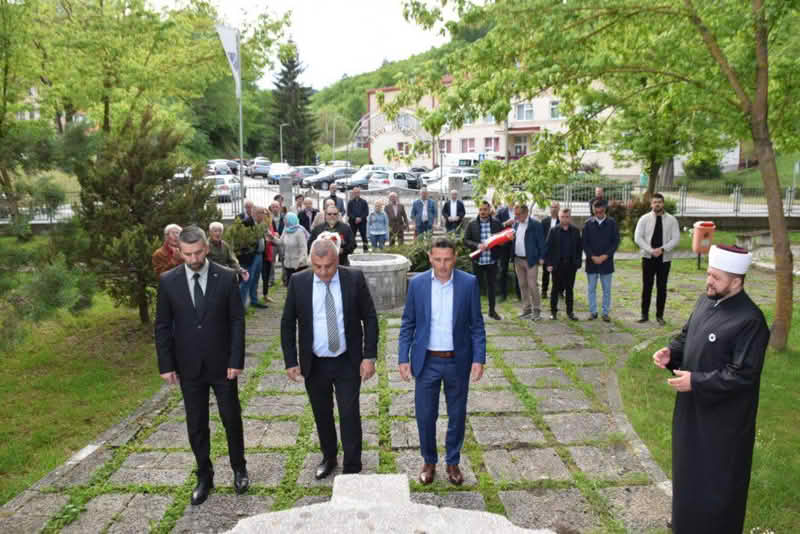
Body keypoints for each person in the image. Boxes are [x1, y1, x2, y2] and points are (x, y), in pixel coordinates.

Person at [652, 245, 769, 534]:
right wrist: (671, 353)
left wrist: (696, 382)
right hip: (691, 414)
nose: (709, 281)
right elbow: (687, 336)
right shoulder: (706, 301)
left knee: (716, 487)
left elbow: (742, 376)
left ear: (736, 281)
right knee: (687, 476)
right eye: (708, 274)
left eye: (716, 277)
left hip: (723, 426)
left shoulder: (750, 321)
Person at [154, 226, 248, 506]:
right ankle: (204, 476)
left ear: (206, 248)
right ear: (179, 251)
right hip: (189, 365)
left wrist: (236, 359)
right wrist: (166, 364)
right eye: (187, 254)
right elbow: (162, 325)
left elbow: (237, 321)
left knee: (231, 418)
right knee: (196, 423)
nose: (193, 259)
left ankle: (239, 468)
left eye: (198, 253)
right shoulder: (168, 281)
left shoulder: (226, 277)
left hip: (223, 365)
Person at [280, 237, 378, 479]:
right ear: (310, 262)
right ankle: (329, 457)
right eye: (317, 266)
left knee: (349, 413)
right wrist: (291, 360)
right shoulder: (298, 282)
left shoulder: (354, 279)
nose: (323, 272)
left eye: (329, 266)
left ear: (338, 259)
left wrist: (369, 356)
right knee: (322, 413)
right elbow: (287, 323)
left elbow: (370, 317)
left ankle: (352, 465)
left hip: (347, 360)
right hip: (315, 362)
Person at [397, 237, 485, 486]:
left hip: (458, 361)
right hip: (426, 361)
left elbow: (477, 325)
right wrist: (403, 357)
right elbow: (408, 323)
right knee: (425, 416)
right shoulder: (418, 284)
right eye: (437, 259)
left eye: (447, 259)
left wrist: (479, 358)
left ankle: (453, 462)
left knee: (457, 415)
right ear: (430, 258)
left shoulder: (468, 283)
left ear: (455, 258)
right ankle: (429, 461)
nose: (443, 265)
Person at [634, 193, 680, 325]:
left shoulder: (672, 220)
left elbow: (676, 239)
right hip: (648, 257)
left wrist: (662, 249)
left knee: (662, 287)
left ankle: (660, 316)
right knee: (647, 286)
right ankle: (644, 315)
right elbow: (638, 238)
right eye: (655, 202)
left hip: (664, 258)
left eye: (659, 202)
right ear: (651, 204)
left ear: (663, 203)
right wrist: (650, 250)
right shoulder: (644, 219)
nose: (657, 204)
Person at [464, 201, 503, 320]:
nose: (482, 212)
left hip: (492, 261)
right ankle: (476, 312)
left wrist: (499, 244)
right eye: (481, 209)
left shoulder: (496, 223)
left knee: (492, 287)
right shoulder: (472, 224)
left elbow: (502, 239)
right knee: (476, 288)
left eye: (485, 209)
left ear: (489, 210)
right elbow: (465, 240)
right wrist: (477, 245)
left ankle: (492, 311)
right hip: (478, 261)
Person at [582, 200, 619, 321]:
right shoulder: (588, 224)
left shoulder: (612, 223)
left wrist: (605, 256)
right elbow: (584, 243)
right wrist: (592, 256)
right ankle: (593, 312)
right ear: (593, 210)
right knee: (591, 289)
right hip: (591, 262)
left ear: (605, 210)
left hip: (606, 262)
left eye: (601, 211)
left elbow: (615, 242)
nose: (598, 213)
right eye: (596, 211)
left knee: (606, 289)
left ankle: (605, 312)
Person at [544, 208, 582, 320]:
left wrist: (578, 263)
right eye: (562, 217)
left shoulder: (575, 231)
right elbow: (548, 248)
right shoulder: (553, 231)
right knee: (555, 289)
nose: (565, 219)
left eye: (567, 217)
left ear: (570, 217)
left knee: (569, 289)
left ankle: (570, 312)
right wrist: (549, 264)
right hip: (557, 265)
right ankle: (553, 312)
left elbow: (579, 248)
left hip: (570, 265)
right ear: (559, 217)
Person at [512, 204, 546, 321]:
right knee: (522, 285)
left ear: (526, 213)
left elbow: (541, 242)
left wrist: (542, 257)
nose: (516, 216)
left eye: (518, 214)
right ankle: (526, 309)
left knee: (532, 285)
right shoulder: (516, 224)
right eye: (515, 214)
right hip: (518, 259)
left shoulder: (535, 225)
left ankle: (537, 310)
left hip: (531, 260)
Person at [240, 207, 268, 309]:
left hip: (259, 255)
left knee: (256, 279)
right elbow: (243, 241)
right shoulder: (246, 223)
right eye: (263, 214)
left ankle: (254, 300)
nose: (264, 216)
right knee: (247, 280)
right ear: (257, 213)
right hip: (250, 256)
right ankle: (241, 306)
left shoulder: (261, 224)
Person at [493, 195, 514, 302]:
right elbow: (496, 226)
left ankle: (520, 294)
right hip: (504, 244)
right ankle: (502, 293)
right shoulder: (501, 212)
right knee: (503, 269)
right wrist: (506, 223)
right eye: (510, 200)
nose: (512, 202)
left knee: (518, 269)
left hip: (517, 243)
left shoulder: (519, 210)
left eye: (513, 199)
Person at [280, 212, 309, 280]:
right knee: (290, 284)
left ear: (291, 220)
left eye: (286, 219)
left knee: (299, 285)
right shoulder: (286, 229)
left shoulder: (299, 231)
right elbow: (280, 242)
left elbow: (303, 248)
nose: (284, 221)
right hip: (288, 264)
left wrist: (300, 261)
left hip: (298, 266)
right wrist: (272, 238)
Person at [540, 201, 560, 299]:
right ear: (550, 208)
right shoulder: (544, 221)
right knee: (545, 272)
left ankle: (559, 291)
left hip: (558, 251)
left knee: (558, 273)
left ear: (559, 209)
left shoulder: (561, 221)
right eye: (552, 207)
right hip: (546, 251)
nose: (554, 209)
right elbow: (540, 237)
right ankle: (544, 291)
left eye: (556, 207)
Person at [261, 211, 281, 304]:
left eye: (267, 215)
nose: (266, 217)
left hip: (269, 253)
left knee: (266, 276)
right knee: (263, 276)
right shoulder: (260, 226)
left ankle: (265, 295)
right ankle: (255, 297)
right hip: (262, 254)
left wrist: (273, 236)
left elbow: (275, 239)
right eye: (264, 215)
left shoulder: (270, 225)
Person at [347, 186, 370, 253]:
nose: (356, 193)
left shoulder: (364, 202)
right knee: (352, 237)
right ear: (353, 193)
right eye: (355, 192)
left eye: (357, 192)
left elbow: (366, 212)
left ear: (359, 193)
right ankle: (351, 250)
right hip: (353, 222)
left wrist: (360, 218)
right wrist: (355, 218)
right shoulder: (350, 202)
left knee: (364, 236)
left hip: (362, 222)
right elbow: (349, 213)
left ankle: (366, 249)